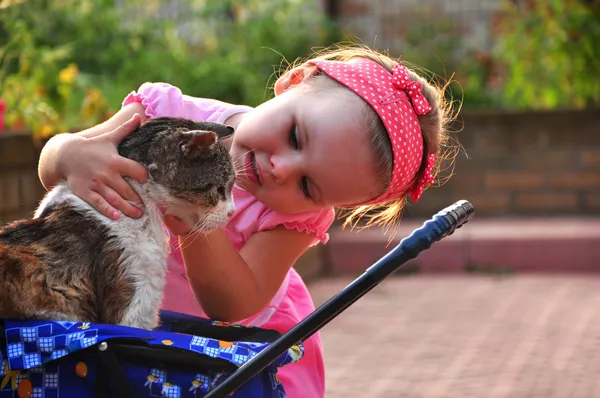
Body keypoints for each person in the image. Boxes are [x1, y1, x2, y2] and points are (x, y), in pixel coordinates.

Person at [37, 44, 457, 398]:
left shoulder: (297, 217)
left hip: (229, 351)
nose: (282, 169)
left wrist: (197, 220)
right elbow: (53, 165)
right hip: (127, 316)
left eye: (308, 186)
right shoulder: (166, 113)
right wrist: (72, 156)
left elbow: (232, 304)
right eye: (295, 136)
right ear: (293, 82)